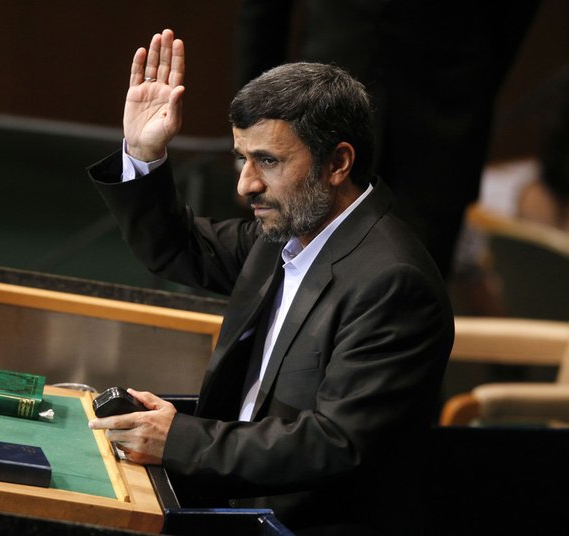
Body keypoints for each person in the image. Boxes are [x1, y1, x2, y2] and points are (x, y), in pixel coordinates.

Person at [87, 29, 454, 535]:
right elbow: (177, 248)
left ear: (338, 163)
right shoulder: (286, 235)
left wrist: (180, 440)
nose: (246, 184)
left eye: (268, 161)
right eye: (244, 158)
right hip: (235, 498)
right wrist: (143, 153)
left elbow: (334, 441)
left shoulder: (393, 282)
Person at [233, 0, 542, 279]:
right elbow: (263, 10)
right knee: (290, 289)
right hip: (317, 117)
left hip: (440, 125)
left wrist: (471, 87)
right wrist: (256, 128)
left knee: (413, 294)